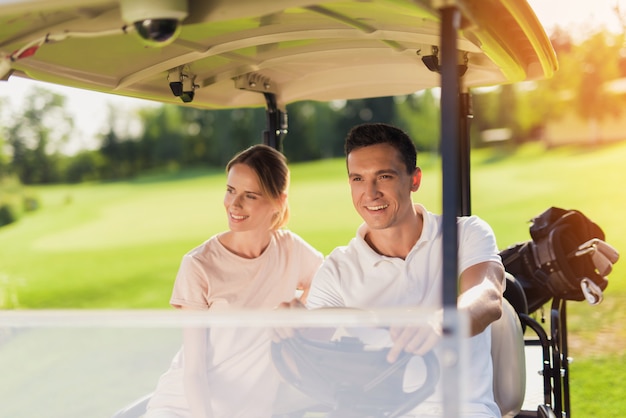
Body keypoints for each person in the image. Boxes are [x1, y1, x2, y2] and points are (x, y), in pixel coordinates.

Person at [282, 123, 505, 417]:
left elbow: (487, 297)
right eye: (358, 179)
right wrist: (293, 332)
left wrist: (440, 321)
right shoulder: (337, 269)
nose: (370, 193)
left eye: (384, 176)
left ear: (414, 180)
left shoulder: (465, 233)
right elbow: (313, 346)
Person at [144, 144, 324, 418]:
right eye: (230, 190)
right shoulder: (199, 265)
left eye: (249, 195)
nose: (234, 204)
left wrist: (296, 316)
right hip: (186, 408)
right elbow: (193, 372)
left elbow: (328, 283)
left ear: (279, 199)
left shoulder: (291, 249)